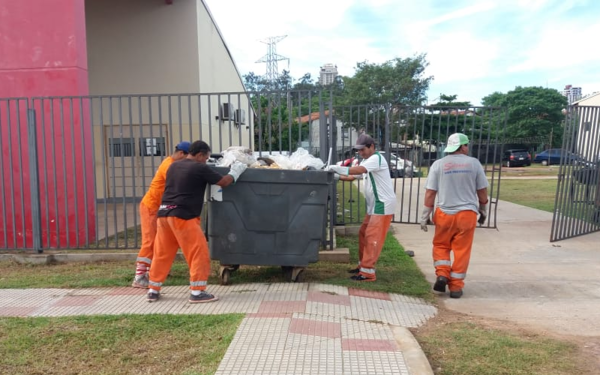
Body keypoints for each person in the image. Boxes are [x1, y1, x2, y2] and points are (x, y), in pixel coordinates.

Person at [146, 140, 247, 303]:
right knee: (198, 253)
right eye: (206, 158)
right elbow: (223, 182)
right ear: (200, 155)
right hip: (183, 216)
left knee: (162, 253)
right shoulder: (199, 167)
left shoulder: (174, 165)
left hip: (164, 214)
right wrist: (235, 172)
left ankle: (153, 289)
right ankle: (197, 292)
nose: (206, 161)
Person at [419, 133, 489, 299]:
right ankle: (456, 287)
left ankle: (442, 274)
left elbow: (430, 193)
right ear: (463, 146)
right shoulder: (474, 163)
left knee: (441, 246)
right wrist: (483, 209)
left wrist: (425, 215)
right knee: (462, 250)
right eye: (467, 145)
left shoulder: (438, 164)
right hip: (467, 215)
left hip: (444, 214)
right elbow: (482, 191)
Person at [326, 134, 396, 282]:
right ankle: (362, 266)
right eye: (358, 150)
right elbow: (353, 177)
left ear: (371, 146)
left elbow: (358, 171)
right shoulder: (368, 160)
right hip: (374, 205)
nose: (360, 153)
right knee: (363, 234)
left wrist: (336, 168)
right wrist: (336, 177)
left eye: (363, 149)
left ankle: (368, 273)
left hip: (382, 204)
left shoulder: (376, 159)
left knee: (372, 237)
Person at [132, 141, 191, 288]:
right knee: (150, 241)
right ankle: (139, 276)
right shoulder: (170, 166)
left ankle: (156, 270)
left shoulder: (170, 162)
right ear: (182, 154)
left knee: (162, 240)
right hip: (151, 207)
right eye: (189, 158)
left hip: (160, 208)